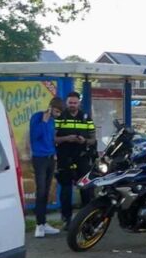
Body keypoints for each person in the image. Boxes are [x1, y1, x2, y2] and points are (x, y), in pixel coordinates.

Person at [54, 91, 96, 225]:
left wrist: (84, 141)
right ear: (66, 103)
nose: (72, 105)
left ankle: (86, 218)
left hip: (82, 156)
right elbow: (53, 139)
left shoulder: (86, 117)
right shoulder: (60, 117)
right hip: (65, 157)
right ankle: (67, 219)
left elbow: (93, 139)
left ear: (79, 103)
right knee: (66, 189)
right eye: (70, 103)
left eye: (75, 103)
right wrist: (67, 138)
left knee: (86, 188)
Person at [29, 97, 63, 238]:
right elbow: (34, 136)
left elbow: (50, 140)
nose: (57, 114)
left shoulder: (52, 121)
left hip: (50, 158)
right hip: (39, 158)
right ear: (50, 107)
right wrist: (43, 121)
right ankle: (39, 224)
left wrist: (54, 154)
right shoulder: (37, 117)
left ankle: (44, 223)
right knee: (41, 190)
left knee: (47, 190)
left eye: (59, 112)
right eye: (56, 111)